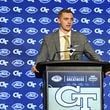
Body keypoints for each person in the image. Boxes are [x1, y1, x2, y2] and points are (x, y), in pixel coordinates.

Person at [32, 9, 102, 73]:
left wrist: (105, 68)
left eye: (71, 19)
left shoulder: (81, 38)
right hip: (55, 73)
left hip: (76, 74)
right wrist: (36, 66)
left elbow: (93, 55)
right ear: (58, 20)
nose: (69, 22)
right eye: (66, 19)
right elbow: (41, 57)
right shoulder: (49, 39)